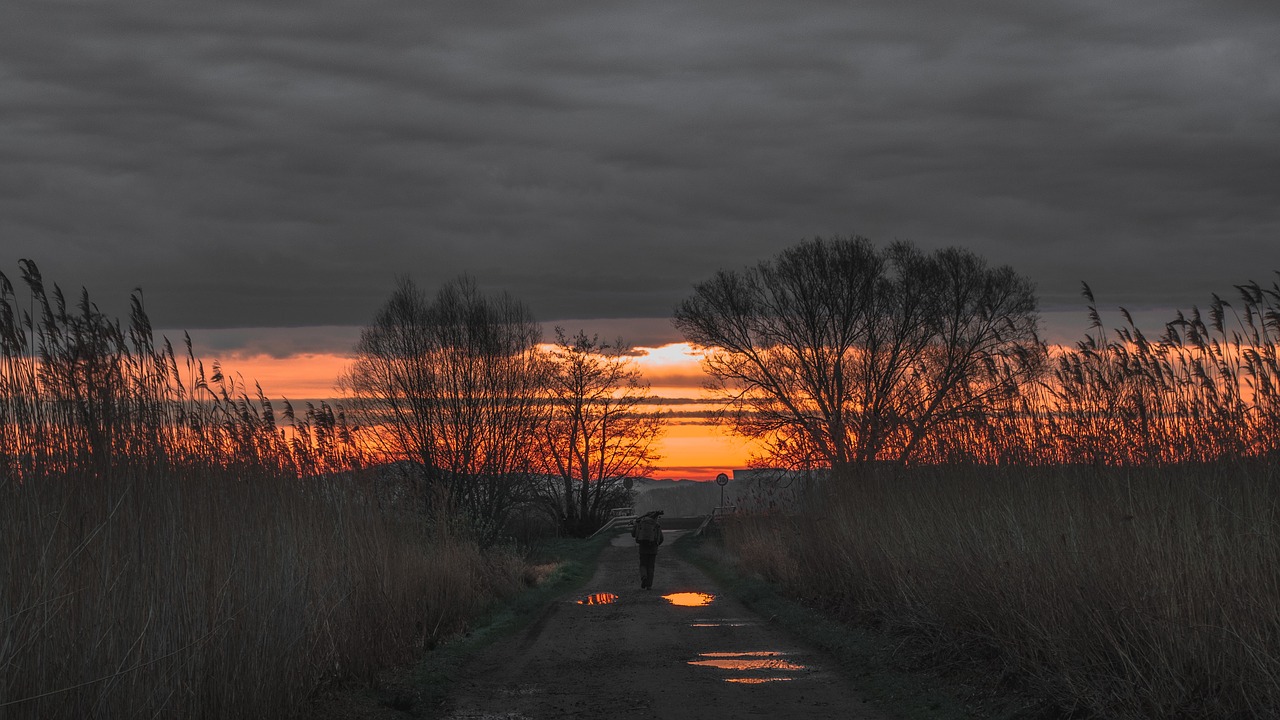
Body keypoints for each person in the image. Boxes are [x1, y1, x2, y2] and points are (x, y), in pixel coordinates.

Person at [631, 510, 665, 589]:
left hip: (643, 547)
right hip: (653, 549)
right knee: (651, 566)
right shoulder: (656, 525)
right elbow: (661, 538)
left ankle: (643, 576)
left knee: (643, 564)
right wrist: (656, 544)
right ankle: (649, 585)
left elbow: (633, 534)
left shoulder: (640, 523)